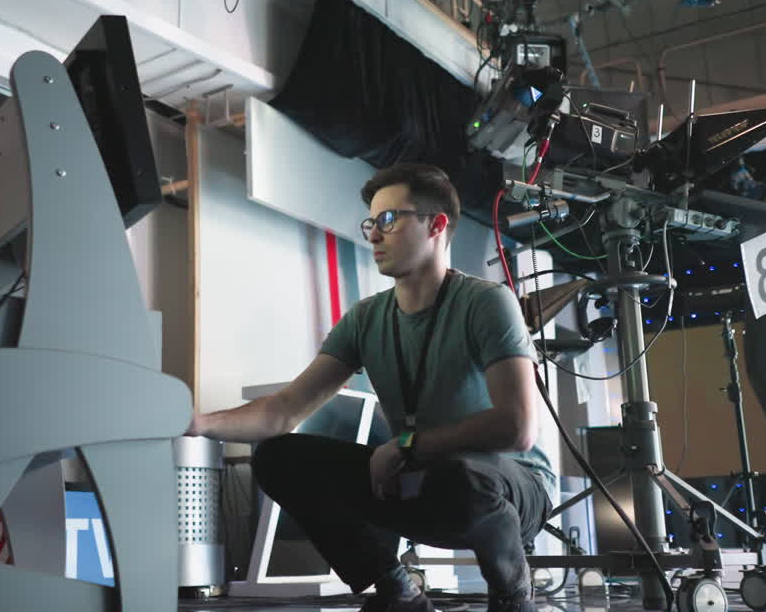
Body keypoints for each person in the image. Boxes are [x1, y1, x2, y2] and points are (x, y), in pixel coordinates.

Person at [187, 163, 554, 612]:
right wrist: (200, 423)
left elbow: (518, 428)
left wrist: (407, 445)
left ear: (436, 224)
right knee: (278, 456)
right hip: (422, 483)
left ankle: (514, 595)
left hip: (512, 496)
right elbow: (283, 411)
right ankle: (396, 586)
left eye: (388, 220)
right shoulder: (365, 319)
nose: (374, 235)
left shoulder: (486, 303)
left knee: (465, 476)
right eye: (370, 223)